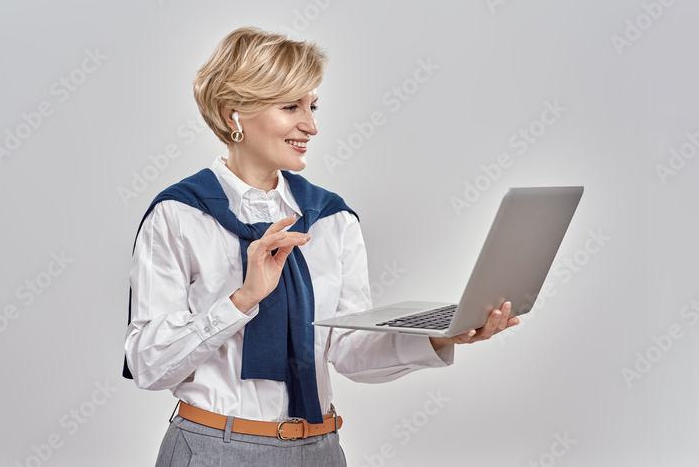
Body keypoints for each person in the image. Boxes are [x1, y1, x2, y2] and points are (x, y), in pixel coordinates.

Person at [122, 26, 519, 466]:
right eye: (290, 106)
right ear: (233, 114)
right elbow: (147, 365)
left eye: (312, 106)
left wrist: (441, 337)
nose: (310, 125)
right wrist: (242, 299)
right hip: (213, 450)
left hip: (320, 451)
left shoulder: (331, 218)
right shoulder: (178, 215)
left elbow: (347, 350)